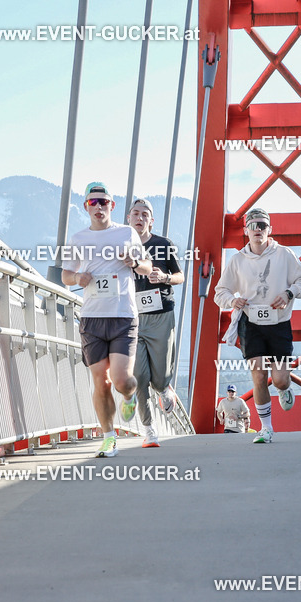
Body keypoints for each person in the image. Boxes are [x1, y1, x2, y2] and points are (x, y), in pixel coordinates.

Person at [61, 181, 153, 457]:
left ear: (112, 206)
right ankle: (109, 438)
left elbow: (148, 267)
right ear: (86, 206)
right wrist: (78, 277)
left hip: (123, 315)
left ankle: (128, 396)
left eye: (103, 202)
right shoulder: (77, 238)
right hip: (91, 317)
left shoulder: (126, 233)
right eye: (93, 202)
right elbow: (65, 276)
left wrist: (134, 263)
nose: (98, 207)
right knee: (100, 380)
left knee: (122, 379)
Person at [213, 208, 301, 444]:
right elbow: (220, 292)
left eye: (262, 225)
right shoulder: (237, 260)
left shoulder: (284, 254)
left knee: (279, 379)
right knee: (258, 375)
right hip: (251, 323)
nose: (258, 230)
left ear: (270, 230)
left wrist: (290, 293)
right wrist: (232, 300)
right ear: (245, 230)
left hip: (278, 322)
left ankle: (284, 387)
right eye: (253, 225)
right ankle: (266, 429)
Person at [127, 197, 183, 448]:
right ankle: (149, 431)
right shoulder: (119, 245)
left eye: (145, 214)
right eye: (135, 213)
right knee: (138, 375)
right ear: (128, 218)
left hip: (160, 314)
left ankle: (164, 388)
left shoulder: (163, 244)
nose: (140, 218)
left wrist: (165, 277)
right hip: (131, 316)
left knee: (159, 377)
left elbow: (181, 276)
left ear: (151, 220)